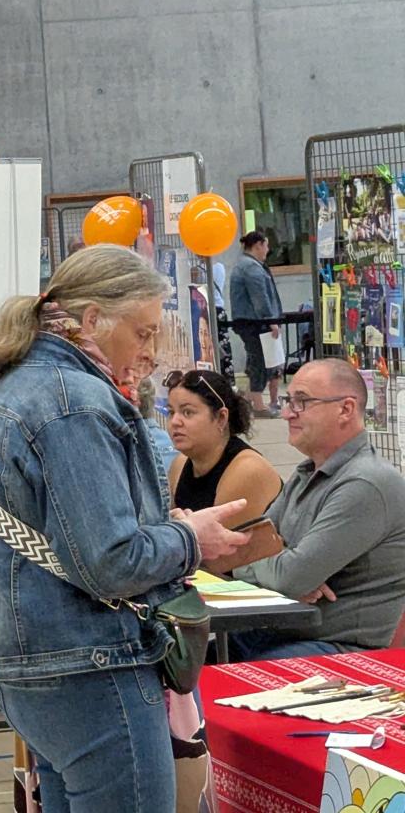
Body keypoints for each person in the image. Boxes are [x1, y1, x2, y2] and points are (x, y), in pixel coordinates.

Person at [0, 244, 250, 812]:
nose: (150, 352)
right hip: (91, 662)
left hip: (25, 660)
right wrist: (189, 539)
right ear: (92, 320)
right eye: (143, 332)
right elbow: (111, 561)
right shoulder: (75, 403)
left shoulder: (0, 391)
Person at [227, 359, 405, 660]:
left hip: (337, 649)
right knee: (174, 661)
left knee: (200, 673)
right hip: (277, 632)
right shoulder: (306, 474)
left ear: (345, 409)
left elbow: (289, 578)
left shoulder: (366, 484)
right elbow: (244, 550)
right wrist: (280, 568)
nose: (287, 413)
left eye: (302, 402)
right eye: (288, 401)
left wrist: (284, 570)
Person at [165, 368, 282, 524]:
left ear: (221, 418)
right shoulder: (179, 464)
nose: (175, 422)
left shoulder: (247, 470)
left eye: (187, 412)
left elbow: (217, 538)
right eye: (171, 412)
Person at [230, 230, 284, 416]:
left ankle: (248, 399)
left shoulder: (246, 265)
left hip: (250, 321)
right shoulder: (251, 267)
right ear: (258, 245)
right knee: (260, 361)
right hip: (255, 323)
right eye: (266, 246)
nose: (267, 250)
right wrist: (271, 320)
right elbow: (259, 297)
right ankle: (258, 404)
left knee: (256, 359)